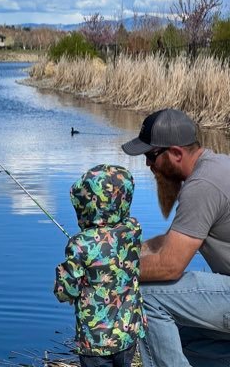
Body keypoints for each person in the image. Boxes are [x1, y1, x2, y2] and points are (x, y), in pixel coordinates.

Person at [121, 108, 230, 367]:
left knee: (148, 294)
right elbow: (173, 241)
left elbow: (169, 266)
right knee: (181, 340)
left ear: (176, 153)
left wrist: (111, 271)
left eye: (151, 155)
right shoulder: (217, 167)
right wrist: (125, 252)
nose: (148, 164)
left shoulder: (202, 186)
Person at [54, 164, 147, 367]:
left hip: (95, 341)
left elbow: (65, 292)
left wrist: (63, 271)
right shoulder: (133, 229)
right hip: (128, 334)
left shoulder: (80, 244)